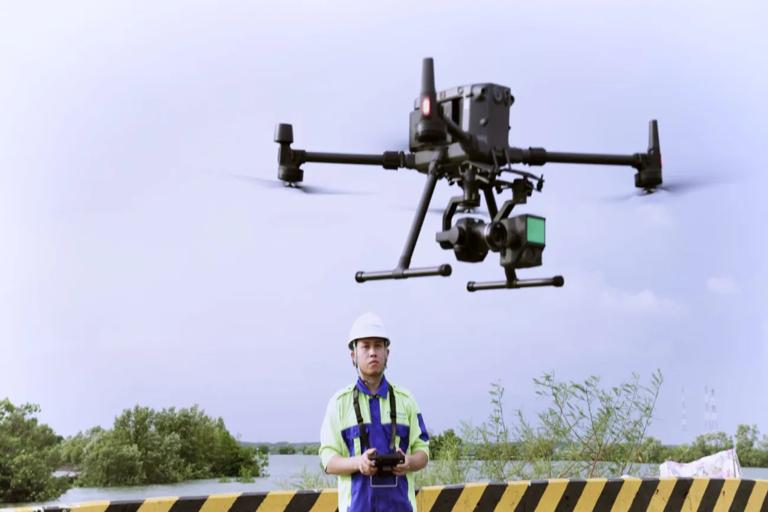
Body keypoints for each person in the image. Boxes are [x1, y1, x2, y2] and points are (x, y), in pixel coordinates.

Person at [319, 312, 429, 512]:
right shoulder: (339, 404)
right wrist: (358, 463)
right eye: (365, 346)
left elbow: (423, 452)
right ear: (353, 355)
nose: (372, 352)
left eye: (378, 345)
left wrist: (409, 462)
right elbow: (328, 460)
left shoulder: (406, 400)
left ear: (387, 353)